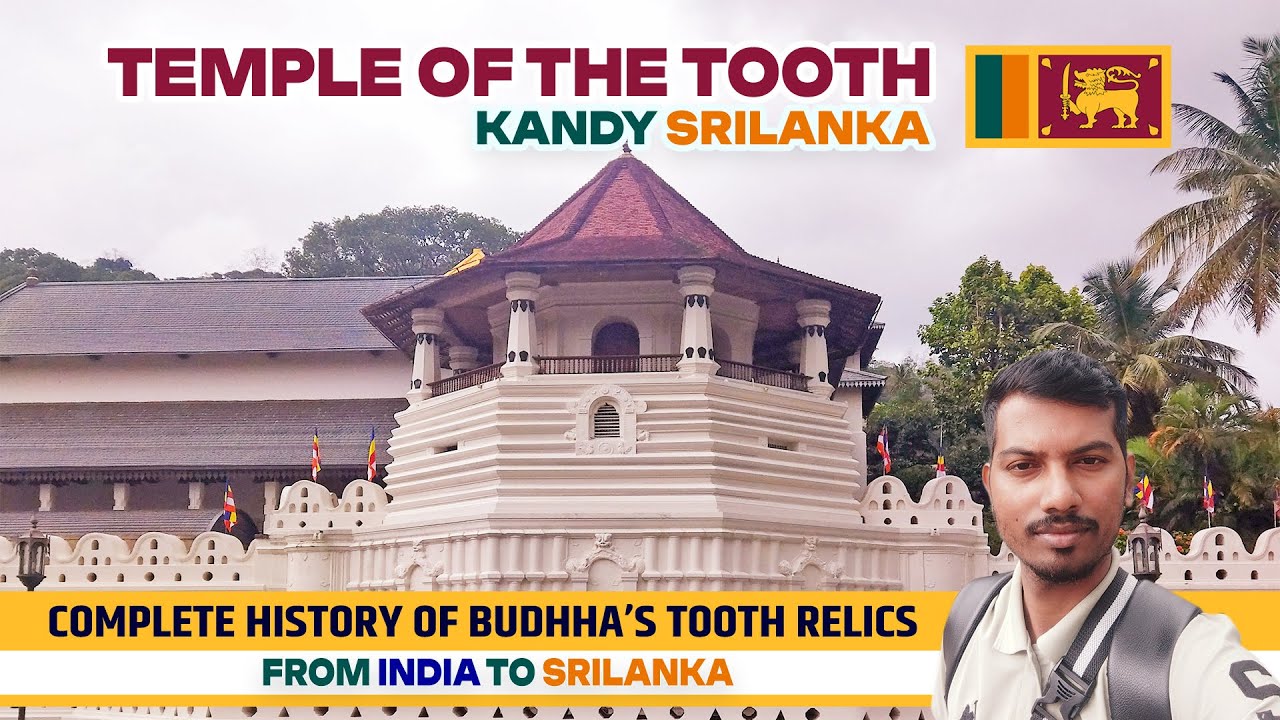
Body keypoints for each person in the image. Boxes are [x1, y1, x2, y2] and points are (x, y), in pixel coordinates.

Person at [933, 349, 1280, 720]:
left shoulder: (1185, 653)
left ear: (1129, 478)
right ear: (990, 485)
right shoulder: (968, 624)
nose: (1060, 497)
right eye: (1023, 466)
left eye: (1089, 461)